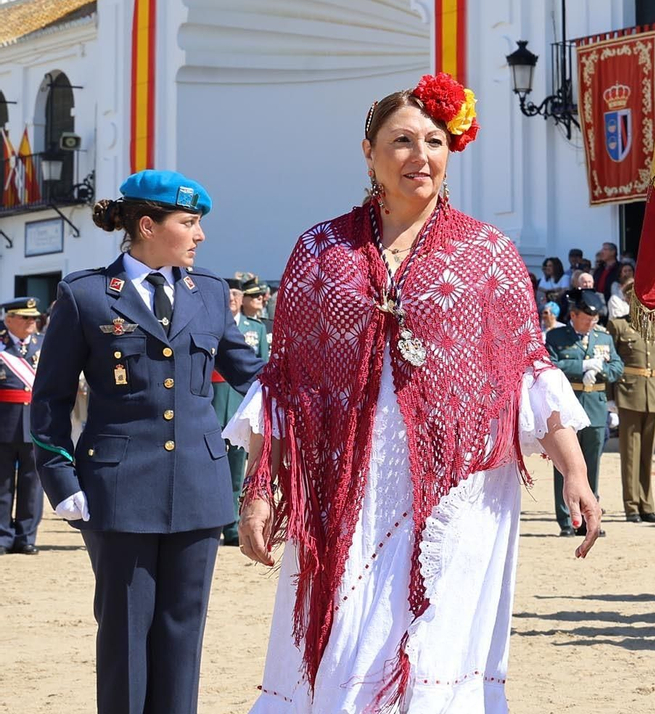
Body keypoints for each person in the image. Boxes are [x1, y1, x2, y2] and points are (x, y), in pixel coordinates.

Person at [228, 74, 602, 711]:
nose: (419, 155)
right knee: (348, 629)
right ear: (369, 152)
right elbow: (285, 383)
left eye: (434, 140)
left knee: (437, 636)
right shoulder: (320, 250)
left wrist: (575, 473)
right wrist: (261, 490)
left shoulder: (488, 252)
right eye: (401, 140)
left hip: (460, 488)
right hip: (349, 478)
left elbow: (527, 370)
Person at [30, 171, 265, 714]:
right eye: (188, 223)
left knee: (184, 634)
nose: (199, 234)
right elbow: (50, 401)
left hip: (200, 488)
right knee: (125, 634)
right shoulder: (86, 295)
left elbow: (252, 375)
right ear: (146, 225)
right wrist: (61, 480)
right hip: (118, 490)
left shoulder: (207, 291)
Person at [546, 289, 621, 537]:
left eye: (594, 319)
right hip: (568, 407)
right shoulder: (557, 337)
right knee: (566, 464)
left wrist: (599, 371)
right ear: (574, 314)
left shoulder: (603, 337)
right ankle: (567, 519)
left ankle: (590, 518)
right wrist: (581, 367)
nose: (591, 323)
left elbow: (617, 366)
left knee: (592, 467)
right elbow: (550, 364)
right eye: (587, 318)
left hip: (595, 407)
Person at [214, 278, 268, 546]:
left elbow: (261, 365)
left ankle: (233, 525)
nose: (233, 298)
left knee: (238, 464)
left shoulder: (254, 327)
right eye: (230, 293)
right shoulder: (210, 317)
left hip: (241, 399)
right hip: (213, 397)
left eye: (237, 293)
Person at [608, 292, 655, 523]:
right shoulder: (620, 325)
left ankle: (647, 504)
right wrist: (610, 397)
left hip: (653, 395)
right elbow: (611, 361)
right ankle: (631, 505)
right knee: (631, 454)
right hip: (629, 393)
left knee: (647, 455)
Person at [0, 296, 43, 555]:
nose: (31, 322)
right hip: (3, 423)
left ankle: (26, 537)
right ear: (9, 319)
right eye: (25, 317)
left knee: (32, 485)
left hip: (36, 423)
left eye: (34, 318)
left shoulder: (44, 343)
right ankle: (3, 536)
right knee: (2, 484)